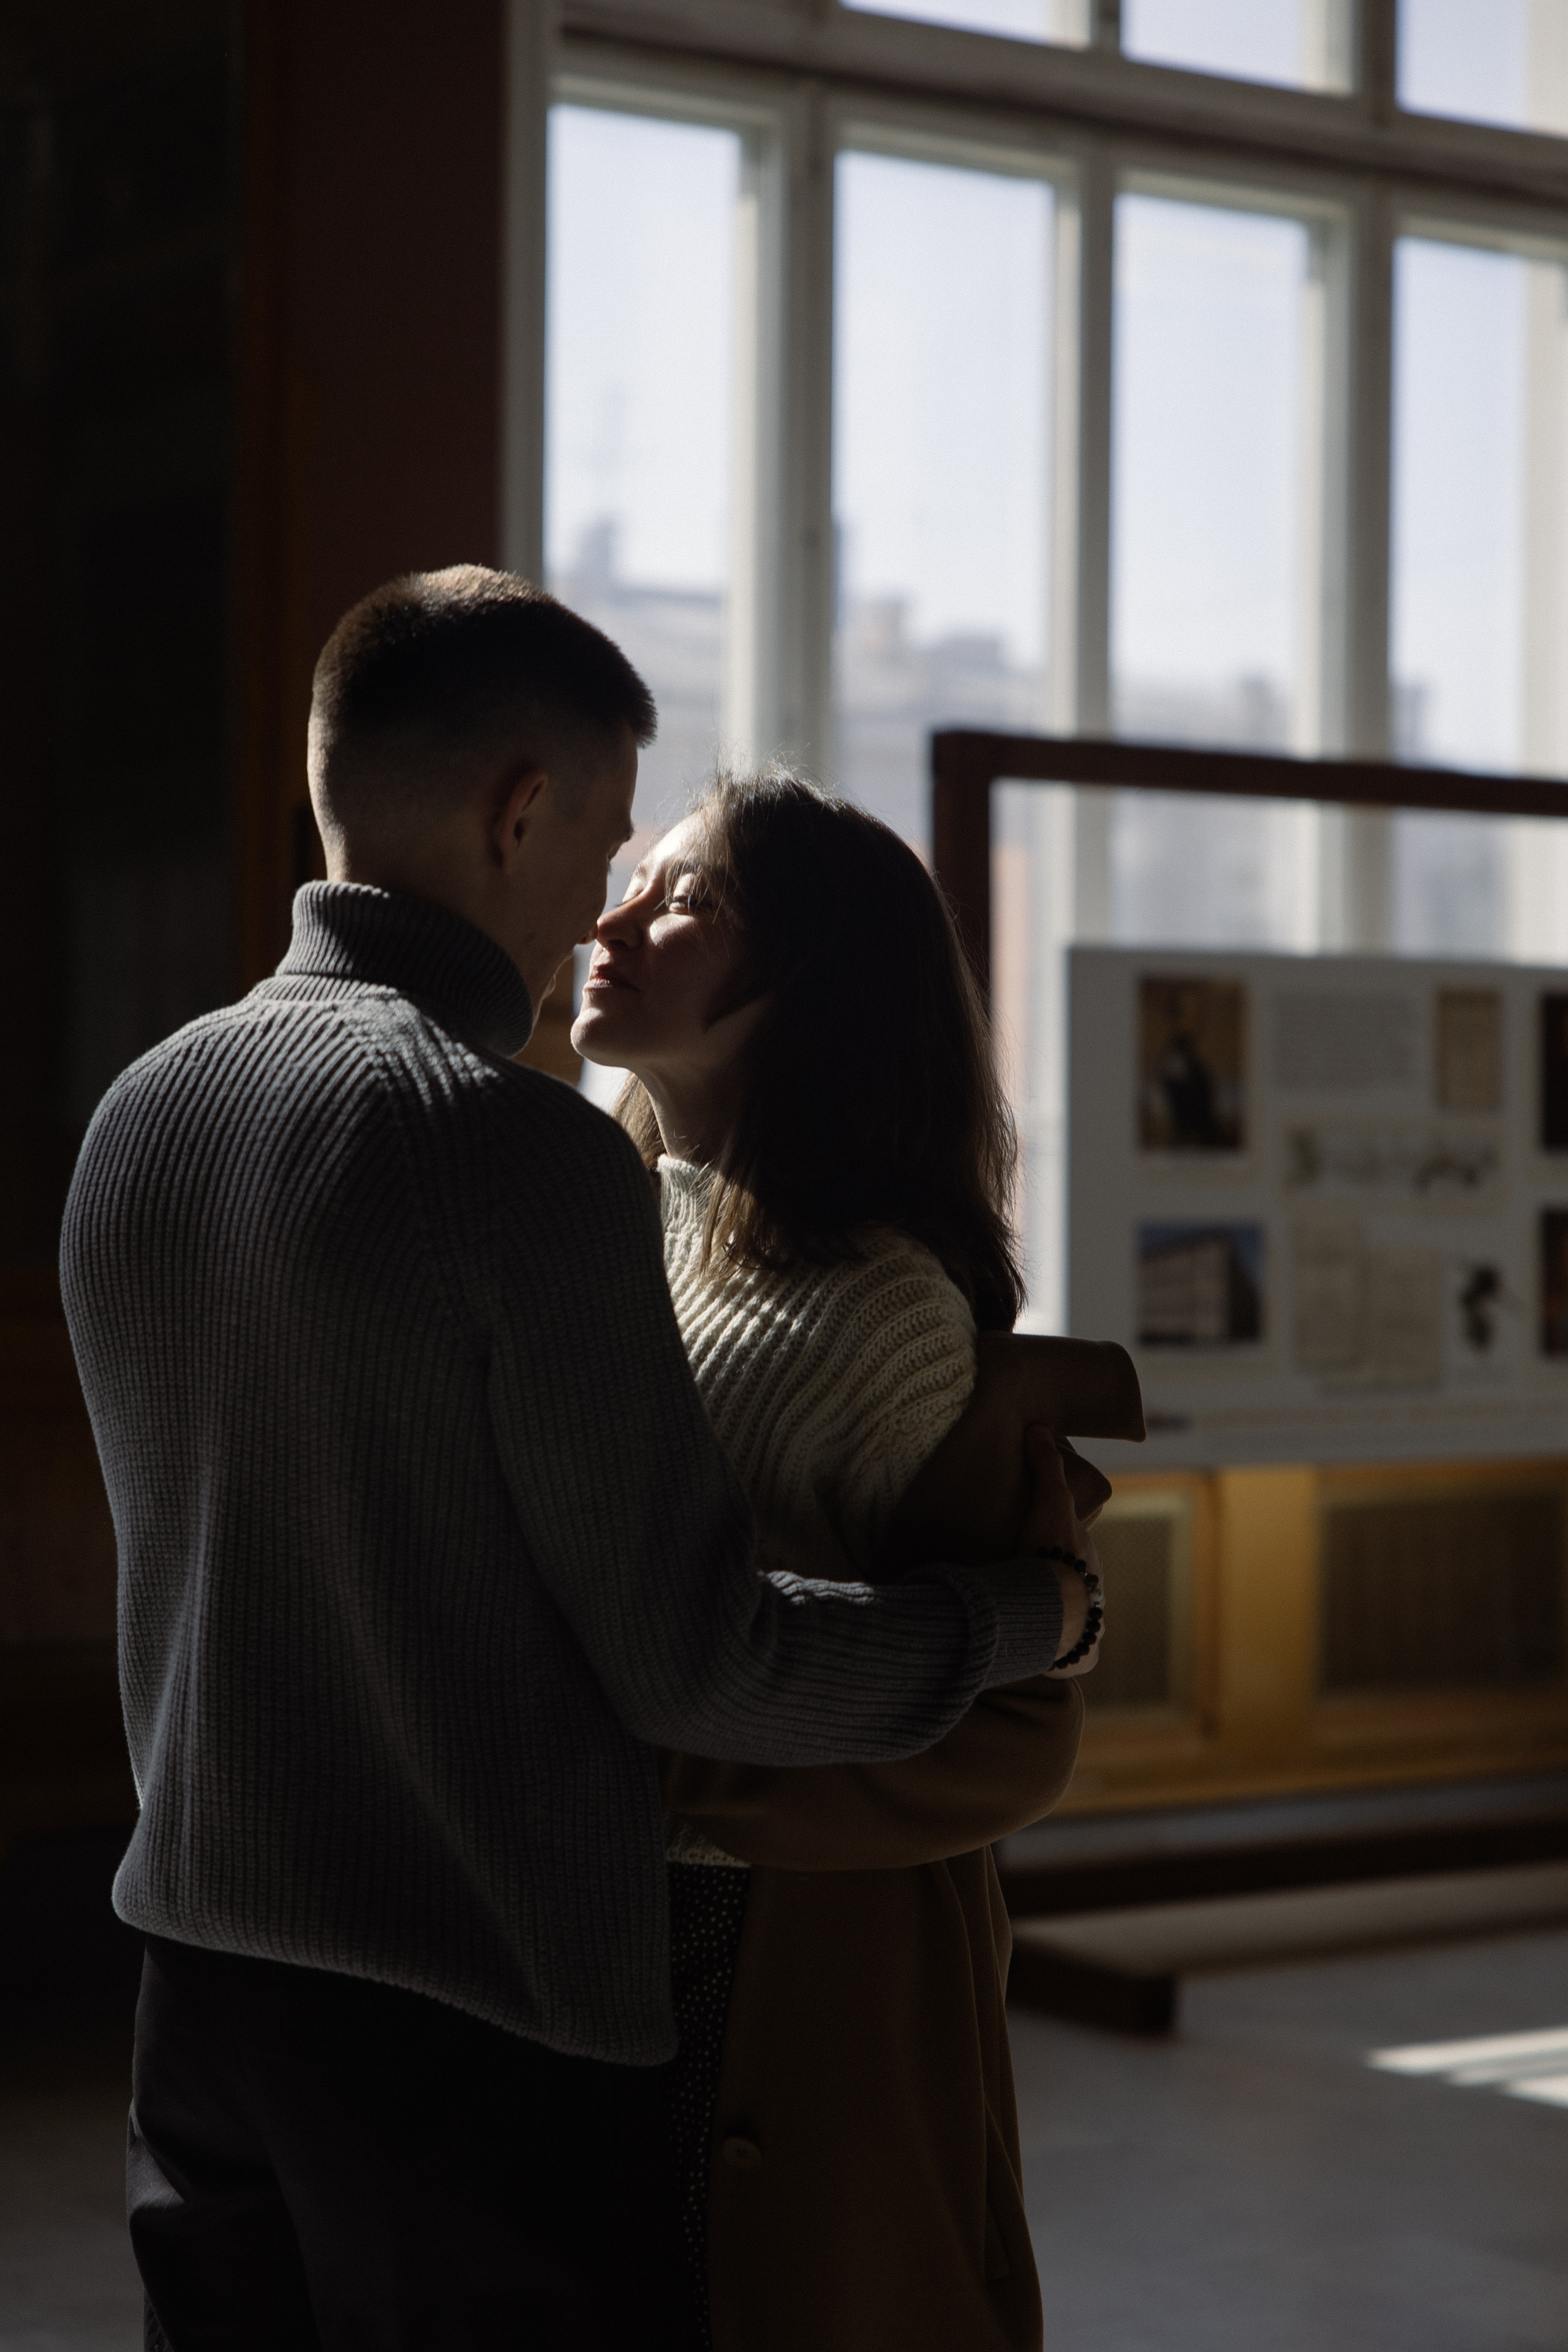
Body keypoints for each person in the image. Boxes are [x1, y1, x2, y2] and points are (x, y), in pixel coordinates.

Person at [59, 567, 1093, 2352]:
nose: (600, 898)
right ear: (519, 811)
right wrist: (1022, 1624)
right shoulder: (517, 1155)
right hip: (462, 2008)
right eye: (607, 837)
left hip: (197, 1970)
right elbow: (699, 1657)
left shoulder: (141, 1110)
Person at [573, 769, 1140, 2352]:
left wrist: (645, 1770)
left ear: (812, 975)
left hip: (771, 1945)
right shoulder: (598, 1216)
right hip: (572, 1909)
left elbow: (1001, 1730)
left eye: (680, 900)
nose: (611, 923)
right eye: (625, 882)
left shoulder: (881, 1304)